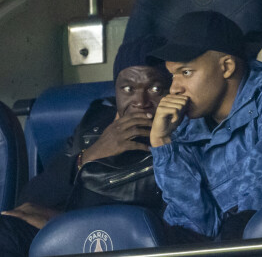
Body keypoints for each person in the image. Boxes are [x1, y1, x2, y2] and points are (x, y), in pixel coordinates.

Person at [0, 35, 172, 257]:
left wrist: (66, 225)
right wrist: (89, 155)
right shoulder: (96, 124)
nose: (140, 101)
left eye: (155, 89)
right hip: (67, 232)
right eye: (128, 88)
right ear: (116, 90)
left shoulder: (181, 134)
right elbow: (30, 200)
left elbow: (175, 220)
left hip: (131, 240)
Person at [147, 10, 262, 240]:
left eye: (186, 72)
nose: (174, 88)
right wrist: (163, 144)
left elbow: (249, 215)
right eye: (172, 76)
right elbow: (195, 227)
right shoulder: (182, 124)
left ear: (226, 66)